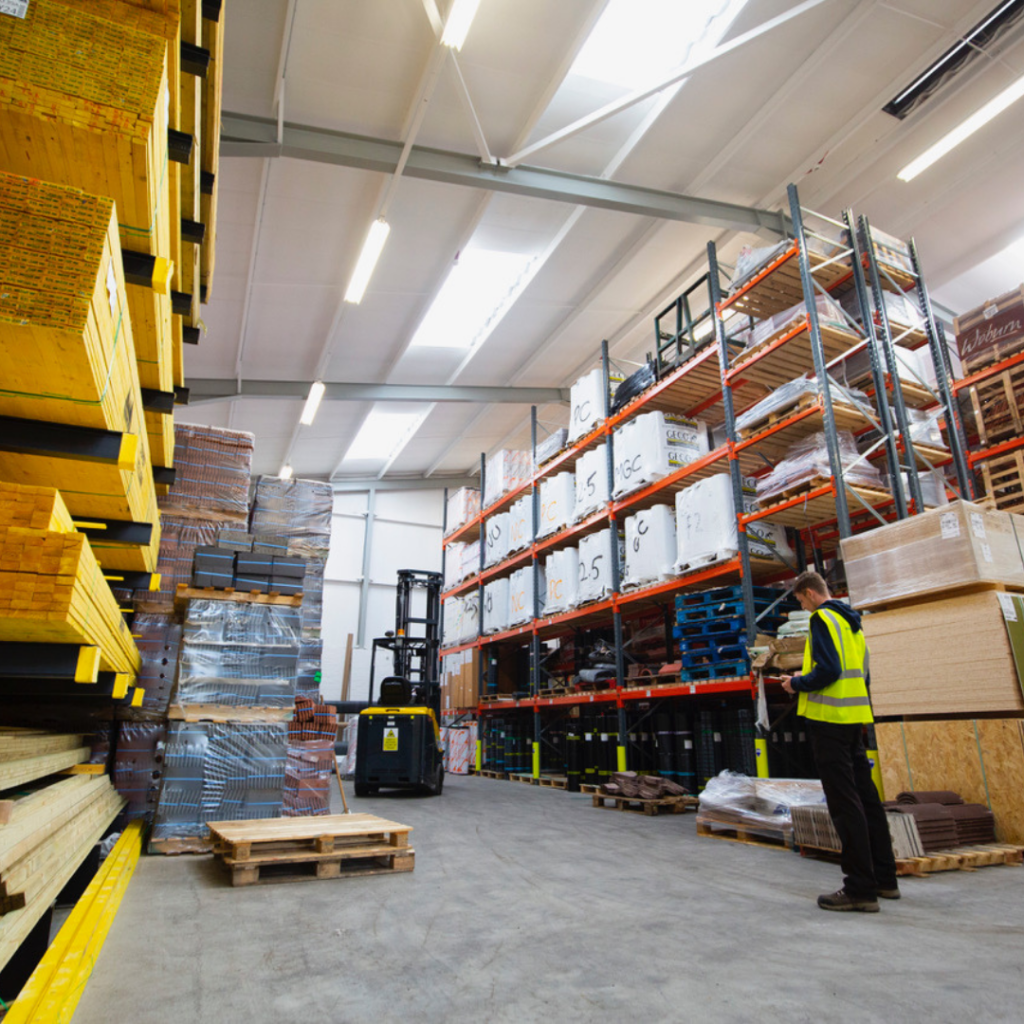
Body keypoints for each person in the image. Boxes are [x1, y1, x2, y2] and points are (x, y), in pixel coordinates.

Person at [780, 570, 898, 913]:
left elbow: (829, 671)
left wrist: (797, 683)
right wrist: (810, 676)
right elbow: (860, 673)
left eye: (801, 600)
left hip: (829, 721)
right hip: (853, 718)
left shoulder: (822, 619)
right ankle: (885, 878)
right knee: (867, 799)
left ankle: (860, 888)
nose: (803, 606)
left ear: (810, 594)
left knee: (845, 804)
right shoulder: (852, 623)